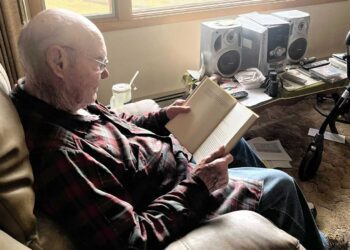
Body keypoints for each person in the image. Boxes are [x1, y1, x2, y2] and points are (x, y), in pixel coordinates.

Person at [11, 9, 327, 250]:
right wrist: (199, 185)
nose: (105, 74)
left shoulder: (56, 99)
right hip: (182, 197)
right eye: (99, 62)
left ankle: (293, 215)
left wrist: (162, 116)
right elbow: (133, 239)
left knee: (236, 143)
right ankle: (311, 234)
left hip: (174, 168)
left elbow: (112, 126)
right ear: (59, 61)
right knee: (280, 185)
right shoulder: (61, 156)